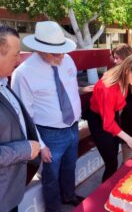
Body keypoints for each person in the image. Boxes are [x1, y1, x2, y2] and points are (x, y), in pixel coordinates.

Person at [12, 21, 82, 212]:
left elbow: (71, 90)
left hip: (73, 127)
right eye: (55, 52)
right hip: (49, 134)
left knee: (70, 167)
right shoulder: (24, 74)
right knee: (51, 176)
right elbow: (23, 115)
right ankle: (54, 208)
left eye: (61, 50)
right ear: (40, 49)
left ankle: (69, 195)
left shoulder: (68, 60)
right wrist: (41, 145)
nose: (61, 55)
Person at [87, 53, 132, 182]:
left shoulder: (124, 77)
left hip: (111, 116)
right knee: (111, 162)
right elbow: (107, 123)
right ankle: (105, 194)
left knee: (114, 151)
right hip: (99, 120)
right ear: (127, 70)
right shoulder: (108, 88)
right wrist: (128, 138)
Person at [0, 25, 41, 212]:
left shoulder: (3, 82)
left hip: (9, 191)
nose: (19, 60)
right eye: (15, 54)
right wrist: (24, 149)